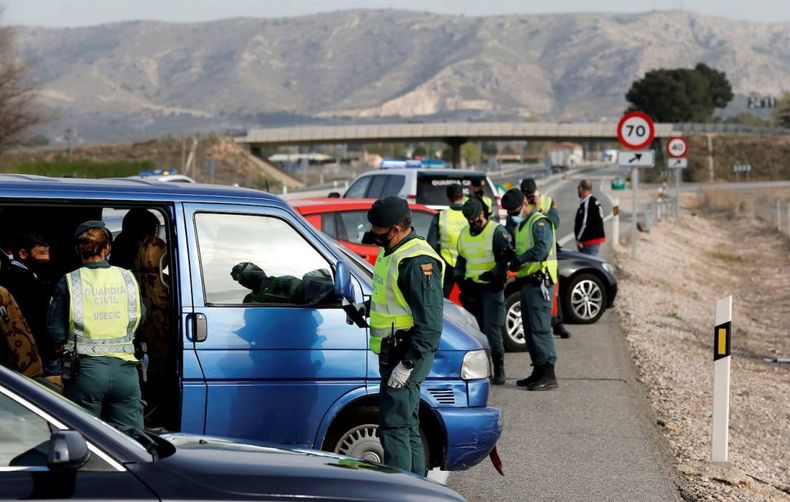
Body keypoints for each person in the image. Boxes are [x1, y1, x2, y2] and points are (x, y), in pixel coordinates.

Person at [365, 196, 444, 475]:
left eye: (380, 232)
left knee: (394, 428)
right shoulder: (393, 252)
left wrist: (407, 364)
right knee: (406, 425)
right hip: (395, 352)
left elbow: (431, 325)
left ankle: (399, 491)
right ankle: (415, 488)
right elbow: (392, 301)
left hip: (406, 355)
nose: (375, 236)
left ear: (397, 228)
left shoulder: (416, 260)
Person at [46, 220, 145, 428]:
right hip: (125, 373)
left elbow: (55, 330)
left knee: (83, 438)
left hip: (85, 373)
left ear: (77, 249)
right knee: (133, 443)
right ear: (108, 248)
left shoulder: (70, 281)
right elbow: (141, 316)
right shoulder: (127, 277)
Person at [502, 189, 559, 391]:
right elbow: (523, 250)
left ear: (525, 204)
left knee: (540, 328)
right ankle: (537, 370)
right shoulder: (523, 226)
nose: (512, 215)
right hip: (527, 282)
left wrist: (520, 259)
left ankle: (549, 374)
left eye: (514, 211)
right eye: (509, 213)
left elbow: (542, 249)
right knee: (529, 328)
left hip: (539, 282)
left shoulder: (539, 222)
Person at [454, 198, 511, 385]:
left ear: (482, 214)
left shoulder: (496, 232)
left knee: (492, 330)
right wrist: (460, 278)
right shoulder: (464, 234)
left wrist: (494, 275)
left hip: (491, 288)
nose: (473, 223)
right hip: (472, 289)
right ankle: (481, 370)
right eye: (469, 220)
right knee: (476, 332)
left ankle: (499, 369)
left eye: (476, 219)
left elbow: (504, 260)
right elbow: (461, 260)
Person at [521, 178, 572, 339]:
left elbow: (555, 223)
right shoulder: (521, 205)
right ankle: (544, 326)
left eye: (530, 193)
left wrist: (540, 209)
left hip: (548, 259)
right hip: (528, 260)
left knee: (554, 294)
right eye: (526, 193)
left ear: (535, 191)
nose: (528, 196)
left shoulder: (547, 202)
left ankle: (558, 324)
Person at [0, 231, 58, 371]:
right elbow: (36, 320)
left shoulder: (25, 276)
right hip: (34, 354)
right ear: (23, 254)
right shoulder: (21, 281)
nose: (47, 258)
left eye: (48, 252)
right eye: (41, 253)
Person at [426, 183, 467, 298]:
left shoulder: (440, 217)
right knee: (471, 300)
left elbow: (431, 246)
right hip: (467, 265)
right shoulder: (470, 216)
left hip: (446, 265)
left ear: (448, 198)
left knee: (442, 300)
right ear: (463, 196)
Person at [574, 179, 606, 256]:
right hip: (591, 241)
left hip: (589, 242)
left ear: (581, 189)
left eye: (579, 188)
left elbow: (584, 223)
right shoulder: (592, 201)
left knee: (588, 265)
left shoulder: (588, 203)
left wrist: (579, 239)